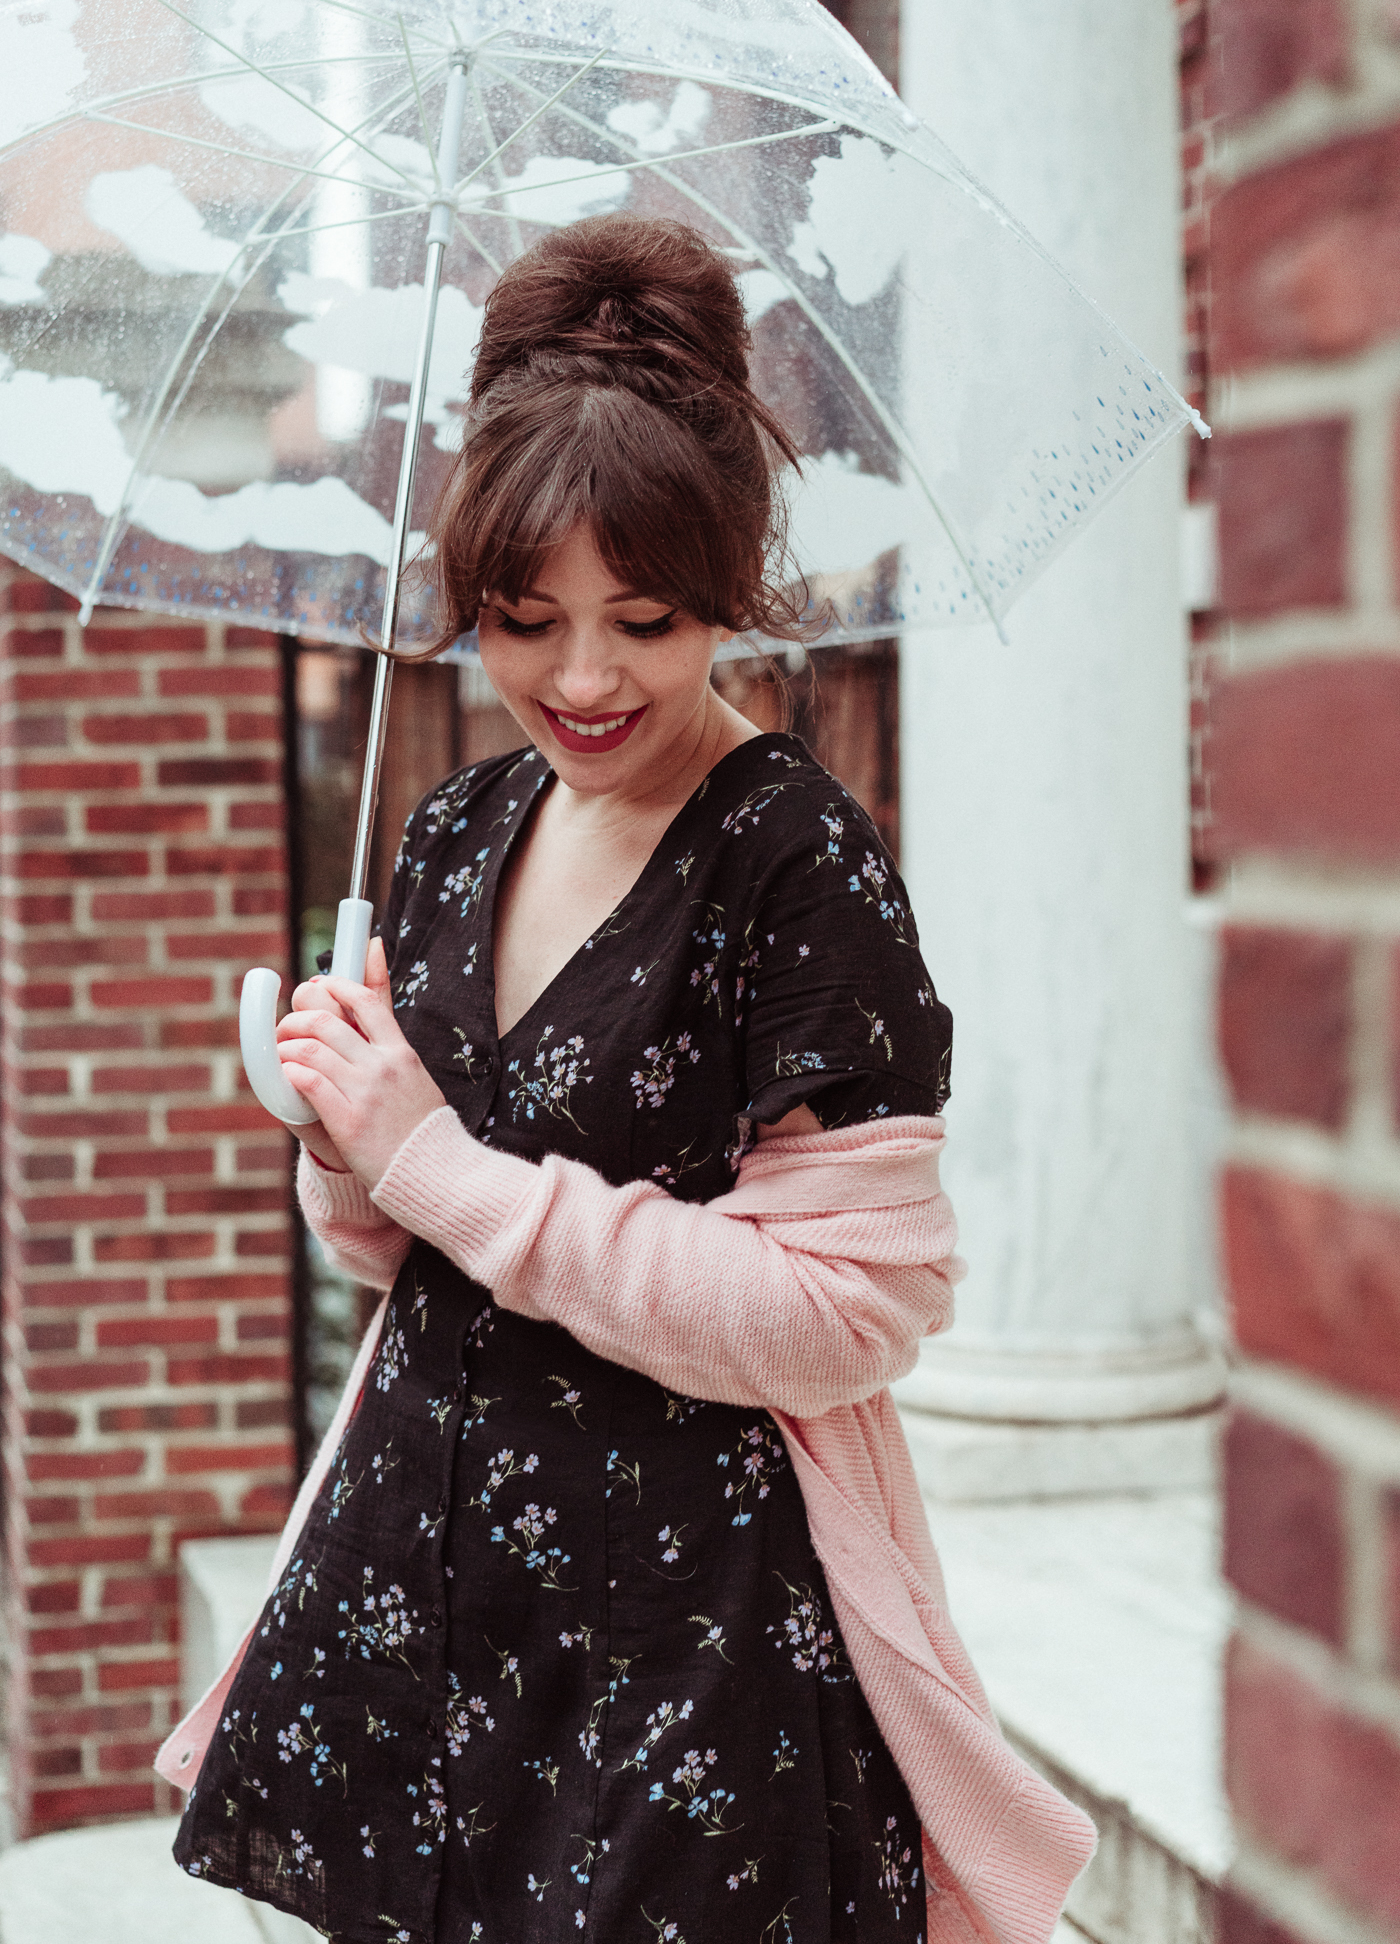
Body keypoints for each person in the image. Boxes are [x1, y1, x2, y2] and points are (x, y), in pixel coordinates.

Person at [164, 215, 1094, 1944]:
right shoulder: (456, 828)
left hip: (681, 1639)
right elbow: (407, 1246)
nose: (582, 682)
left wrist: (441, 1166)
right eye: (525, 622)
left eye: (646, 619)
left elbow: (851, 1311)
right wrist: (347, 1148)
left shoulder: (794, 860)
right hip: (426, 1588)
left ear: (728, 584)